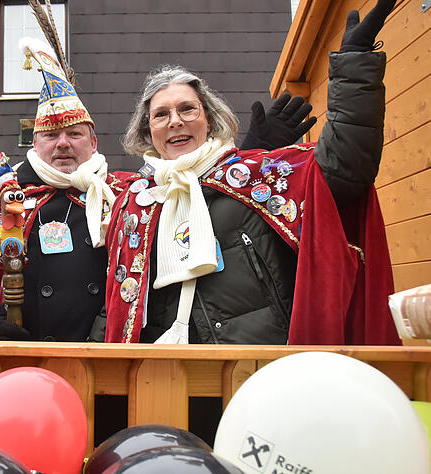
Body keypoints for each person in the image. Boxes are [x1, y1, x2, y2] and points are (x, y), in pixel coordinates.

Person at [103, 0, 399, 345]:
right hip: (165, 378)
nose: (175, 121)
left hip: (259, 372)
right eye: (161, 114)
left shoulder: (256, 178)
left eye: (187, 109)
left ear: (209, 119)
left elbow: (346, 167)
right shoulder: (134, 202)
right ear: (147, 130)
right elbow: (116, 305)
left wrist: (354, 68)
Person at [0, 37, 133, 341]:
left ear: (93, 143)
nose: (63, 143)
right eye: (51, 134)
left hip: (104, 355)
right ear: (35, 144)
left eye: (74, 133)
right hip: (23, 356)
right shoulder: (0, 197)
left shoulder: (121, 194)